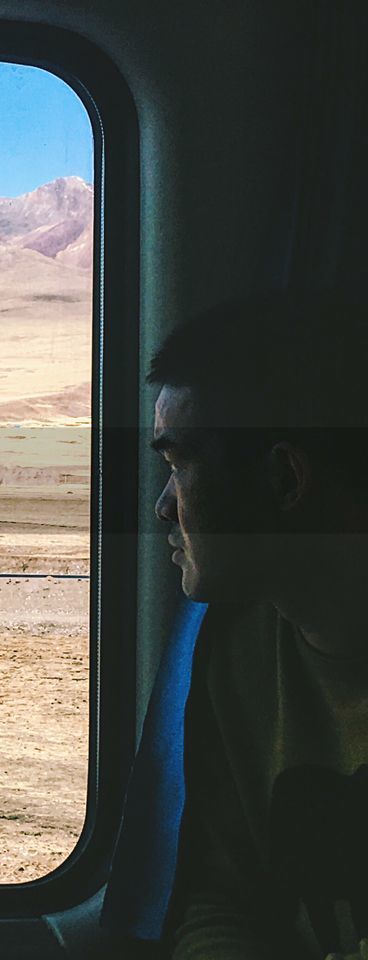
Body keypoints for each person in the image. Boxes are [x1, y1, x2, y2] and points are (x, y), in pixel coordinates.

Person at [149, 296, 368, 959]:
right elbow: (221, 893)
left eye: (178, 465)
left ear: (283, 477)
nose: (162, 508)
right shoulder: (234, 652)